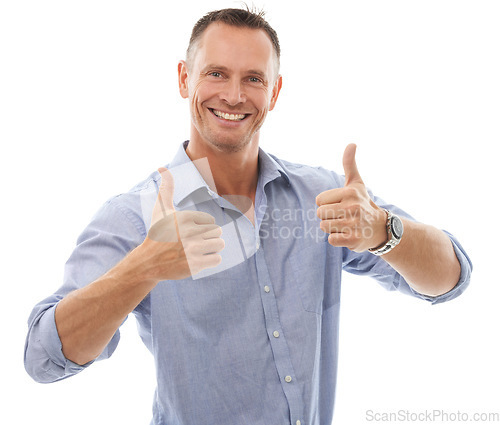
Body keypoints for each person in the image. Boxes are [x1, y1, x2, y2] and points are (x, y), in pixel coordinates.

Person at [24, 7, 472, 425]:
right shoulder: (137, 216)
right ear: (184, 79)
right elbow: (43, 359)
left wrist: (382, 231)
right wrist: (143, 268)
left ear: (274, 92)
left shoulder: (323, 197)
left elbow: (452, 278)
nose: (234, 96)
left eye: (253, 78)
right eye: (216, 73)